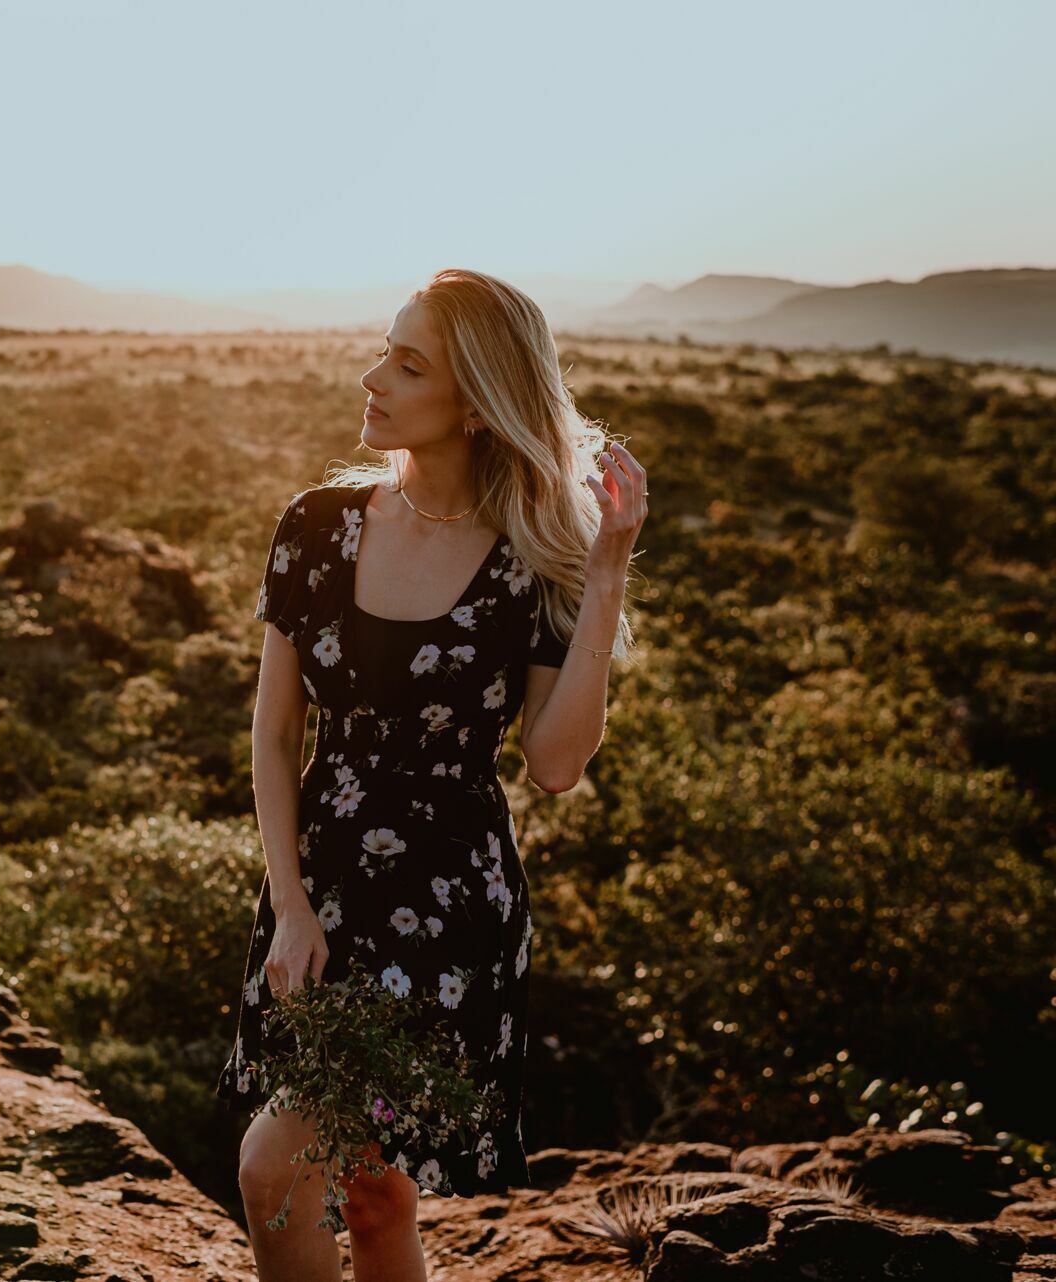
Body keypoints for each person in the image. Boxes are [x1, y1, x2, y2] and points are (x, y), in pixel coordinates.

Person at [217, 269, 647, 1281]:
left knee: (313, 1181)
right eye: (385, 350)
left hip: (449, 908)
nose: (372, 377)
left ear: (475, 403)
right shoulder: (315, 526)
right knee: (332, 1185)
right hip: (315, 889)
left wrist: (608, 571)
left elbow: (554, 764)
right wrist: (290, 904)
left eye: (408, 366)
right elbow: (277, 734)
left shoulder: (534, 560)